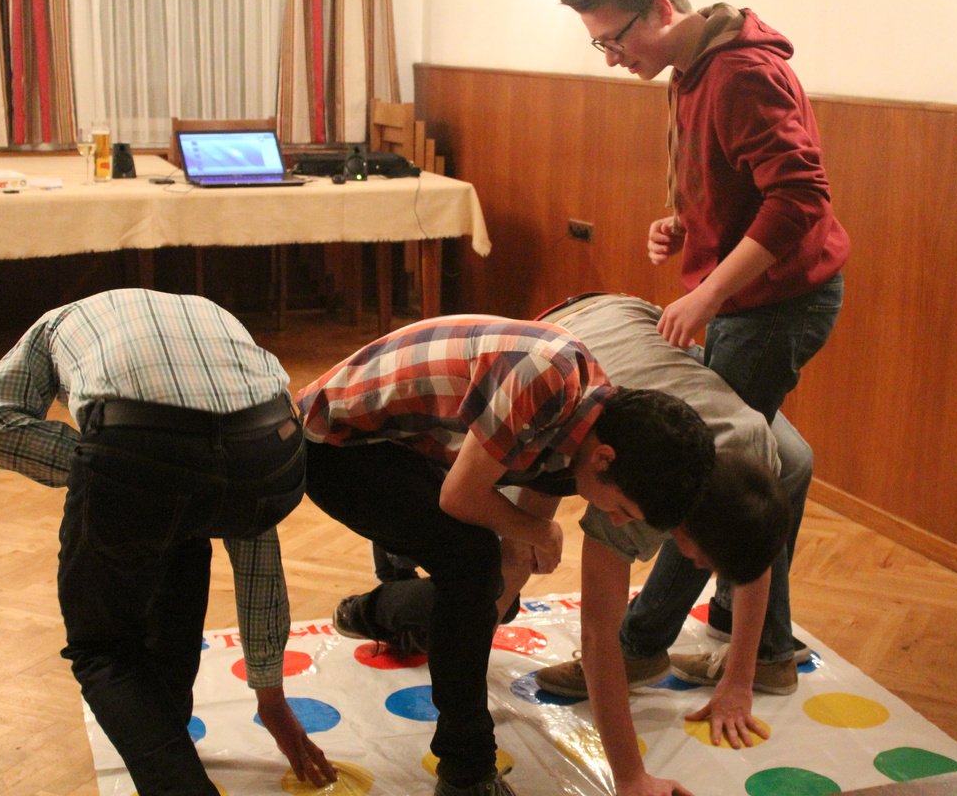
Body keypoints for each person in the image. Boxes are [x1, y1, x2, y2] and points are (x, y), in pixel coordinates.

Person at [322, 294, 804, 795]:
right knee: (484, 572)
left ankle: (405, 599)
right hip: (366, 432)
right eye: (701, 560)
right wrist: (631, 777)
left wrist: (739, 680)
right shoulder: (622, 465)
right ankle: (390, 628)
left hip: (506, 400)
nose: (696, 566)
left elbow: (750, 552)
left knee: (491, 581)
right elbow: (595, 631)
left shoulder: (707, 454)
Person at [560, 0, 847, 768]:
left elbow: (801, 198)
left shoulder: (742, 72)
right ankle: (768, 643)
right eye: (599, 47)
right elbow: (735, 184)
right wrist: (685, 226)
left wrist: (711, 291)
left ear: (660, 9)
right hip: (745, 299)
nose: (611, 58)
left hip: (776, 306)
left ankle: (642, 644)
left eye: (614, 40)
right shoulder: (689, 70)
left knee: (705, 472)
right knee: (778, 460)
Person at [0, 289, 336, 796]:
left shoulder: (54, 324)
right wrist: (270, 700)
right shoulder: (209, 312)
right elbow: (256, 556)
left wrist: (102, 467)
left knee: (104, 650)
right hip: (274, 447)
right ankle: (169, 730)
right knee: (181, 518)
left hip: (140, 442)